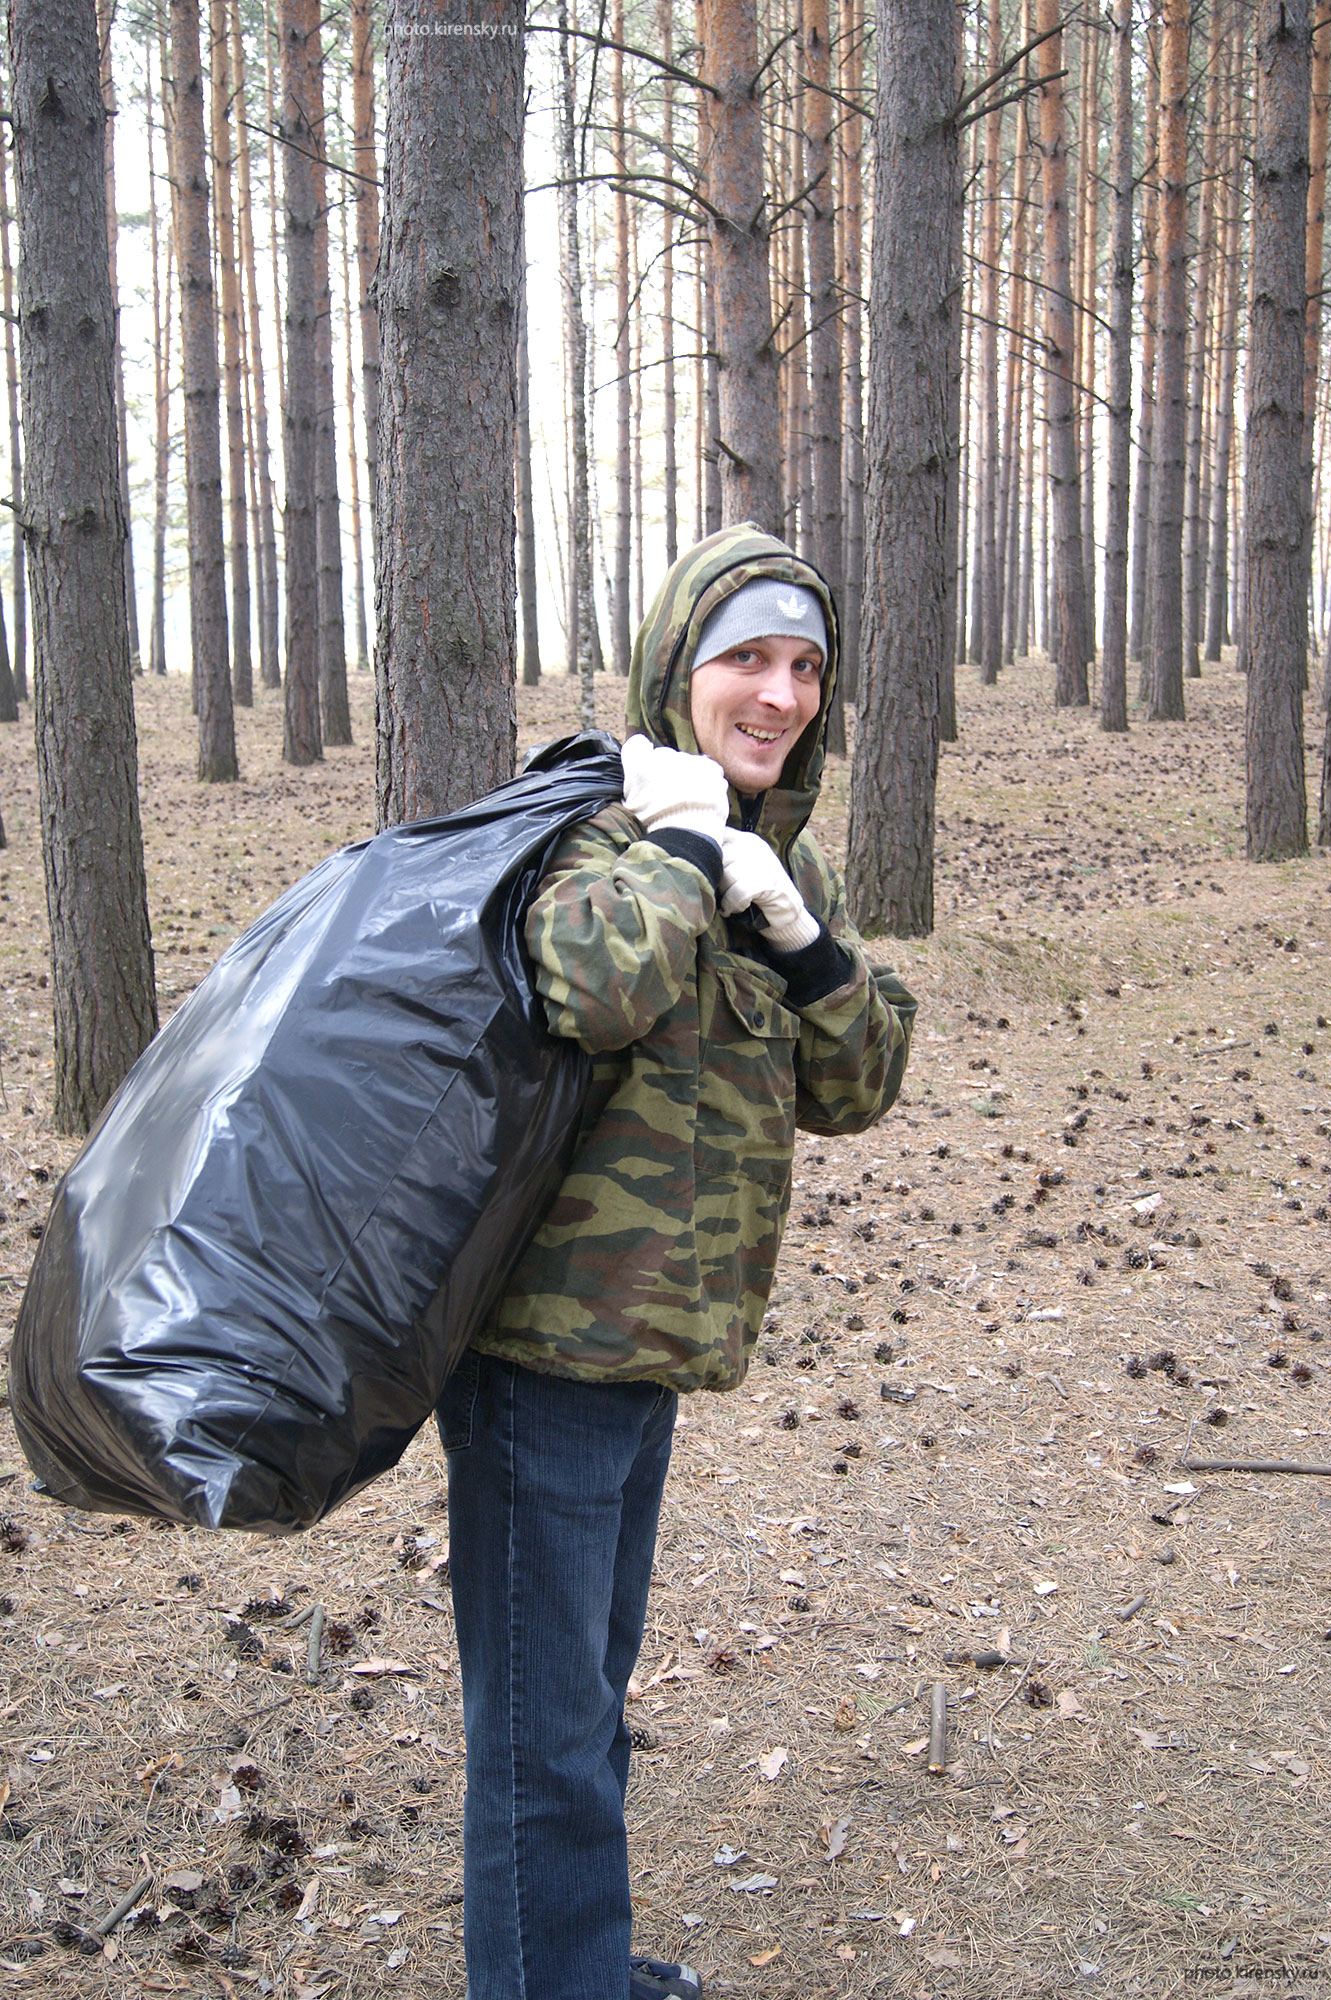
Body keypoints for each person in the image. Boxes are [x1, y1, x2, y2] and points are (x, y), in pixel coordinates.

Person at [436, 524, 917, 2000]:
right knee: (545, 1722)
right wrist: (690, 850)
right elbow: (587, 984)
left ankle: (573, 1965)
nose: (780, 694)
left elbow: (860, 1083)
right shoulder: (592, 827)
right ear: (675, 668)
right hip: (541, 1353)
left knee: (581, 1693)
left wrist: (801, 933)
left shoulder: (786, 854)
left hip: (645, 1348)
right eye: (745, 659)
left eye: (805, 667)